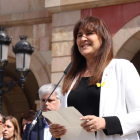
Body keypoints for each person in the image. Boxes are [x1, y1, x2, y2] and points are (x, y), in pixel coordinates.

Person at [49, 16, 140, 140]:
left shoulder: (122, 68)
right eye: (79, 35)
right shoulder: (72, 76)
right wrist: (58, 131)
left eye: (89, 33)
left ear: (103, 38)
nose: (83, 38)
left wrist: (105, 123)